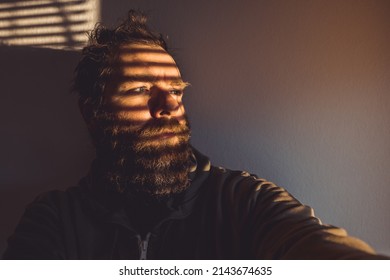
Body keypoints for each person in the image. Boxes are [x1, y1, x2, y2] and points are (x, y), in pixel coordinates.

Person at [3, 10, 387, 260]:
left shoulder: (244, 202)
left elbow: (323, 252)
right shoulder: (55, 220)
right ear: (93, 112)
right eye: (140, 90)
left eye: (176, 89)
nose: (169, 104)